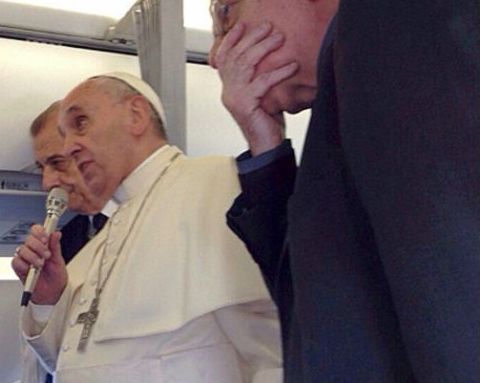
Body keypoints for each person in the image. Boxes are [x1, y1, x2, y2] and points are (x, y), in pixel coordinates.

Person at [206, 0, 479, 381]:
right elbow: (314, 312)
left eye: (226, 11)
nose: (216, 53)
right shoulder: (342, 113)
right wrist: (265, 142)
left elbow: (457, 273)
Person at [18, 71, 283, 382]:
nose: (69, 148)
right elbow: (66, 362)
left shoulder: (212, 183)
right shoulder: (105, 237)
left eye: (80, 123)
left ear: (136, 115)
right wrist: (50, 299)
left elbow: (271, 346)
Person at [12, 101, 115, 383]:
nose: (47, 182)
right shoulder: (66, 238)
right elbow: (62, 353)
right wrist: (47, 302)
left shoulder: (144, 223)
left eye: (57, 163)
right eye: (41, 168)